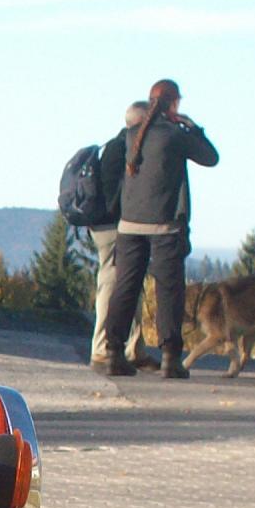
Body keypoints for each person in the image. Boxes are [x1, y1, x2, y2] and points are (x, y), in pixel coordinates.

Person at [100, 79, 219, 379]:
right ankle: (170, 358)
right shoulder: (175, 135)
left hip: (129, 225)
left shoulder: (131, 134)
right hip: (165, 225)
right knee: (168, 291)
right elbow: (211, 157)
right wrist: (192, 127)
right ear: (174, 104)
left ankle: (114, 353)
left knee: (125, 288)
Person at [89, 102, 156, 374]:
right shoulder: (125, 149)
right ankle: (103, 347)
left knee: (128, 285)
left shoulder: (114, 147)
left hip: (107, 225)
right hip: (114, 226)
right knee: (113, 284)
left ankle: (132, 348)